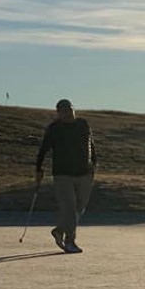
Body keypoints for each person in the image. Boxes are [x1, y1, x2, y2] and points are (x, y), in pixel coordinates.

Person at [35, 99, 97, 253]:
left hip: (85, 172)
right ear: (58, 113)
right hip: (63, 174)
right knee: (69, 207)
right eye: (63, 111)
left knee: (79, 207)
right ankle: (70, 241)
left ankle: (59, 230)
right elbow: (43, 149)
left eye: (69, 110)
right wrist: (38, 168)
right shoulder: (54, 128)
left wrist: (94, 163)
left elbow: (91, 145)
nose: (67, 113)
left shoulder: (83, 124)